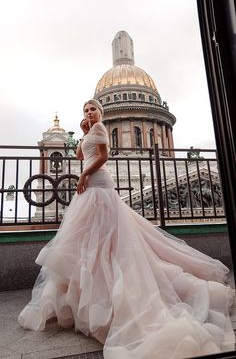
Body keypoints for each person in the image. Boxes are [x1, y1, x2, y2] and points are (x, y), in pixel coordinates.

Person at [18, 99, 235, 359]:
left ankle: (107, 294)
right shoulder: (91, 131)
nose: (89, 113)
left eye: (93, 109)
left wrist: (85, 174)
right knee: (93, 239)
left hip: (97, 184)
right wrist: (83, 134)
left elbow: (103, 157)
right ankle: (93, 292)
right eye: (86, 110)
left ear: (101, 112)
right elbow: (79, 155)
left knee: (106, 238)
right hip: (90, 188)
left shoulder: (100, 130)